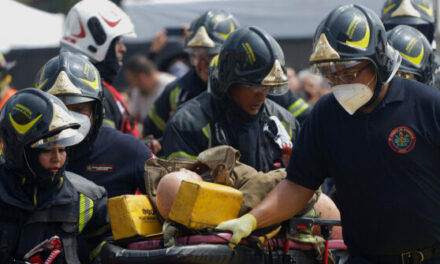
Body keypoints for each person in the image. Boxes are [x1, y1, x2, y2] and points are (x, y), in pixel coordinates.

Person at [217, 4, 440, 263]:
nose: (340, 83)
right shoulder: (326, 116)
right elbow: (297, 186)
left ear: (379, 60)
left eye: (349, 72)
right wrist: (251, 219)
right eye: (330, 74)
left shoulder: (428, 106)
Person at [143, 9, 310, 154]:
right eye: (195, 54)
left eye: (210, 55)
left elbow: (306, 119)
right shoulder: (177, 91)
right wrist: (158, 146)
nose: (201, 64)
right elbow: (150, 133)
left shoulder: (263, 84)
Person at [162, 26, 298, 172]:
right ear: (228, 81)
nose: (262, 96)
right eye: (254, 87)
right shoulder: (187, 124)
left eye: (267, 88)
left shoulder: (285, 123)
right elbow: (184, 188)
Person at [0, 88, 108, 263]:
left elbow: (108, 242)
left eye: (63, 149)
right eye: (47, 150)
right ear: (20, 152)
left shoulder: (86, 197)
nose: (57, 159)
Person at [34, 52, 152, 198]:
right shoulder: (26, 154)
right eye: (59, 108)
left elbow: (172, 202)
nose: (68, 118)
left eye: (78, 109)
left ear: (96, 111)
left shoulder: (129, 150)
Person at [61, 0, 138, 137]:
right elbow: (107, 146)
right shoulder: (93, 94)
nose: (123, 49)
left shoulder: (91, 88)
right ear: (96, 42)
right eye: (117, 42)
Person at [124, 54, 175, 131]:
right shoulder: (138, 90)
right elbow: (134, 117)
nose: (132, 85)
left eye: (132, 80)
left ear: (142, 77)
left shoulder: (169, 86)